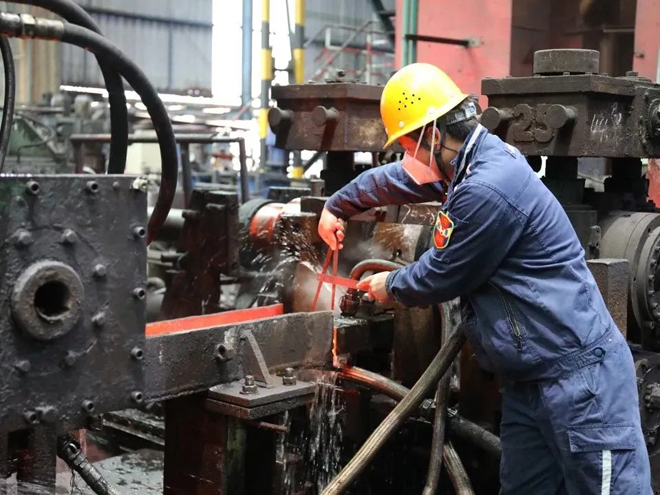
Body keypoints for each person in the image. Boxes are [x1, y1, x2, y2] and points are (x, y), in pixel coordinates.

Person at [317, 63, 652, 494]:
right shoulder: (466, 164)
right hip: (528, 382)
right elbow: (399, 179)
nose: (406, 157)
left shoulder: (486, 187)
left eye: (407, 145)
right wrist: (338, 205)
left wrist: (391, 287)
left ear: (432, 135)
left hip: (579, 383)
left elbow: (443, 274)